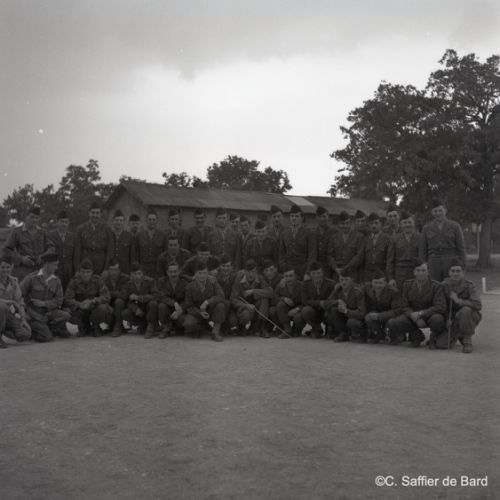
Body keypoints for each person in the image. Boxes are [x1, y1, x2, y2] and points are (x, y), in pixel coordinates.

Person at [387, 259, 446, 347]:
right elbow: (404, 305)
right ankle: (417, 336)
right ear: (414, 272)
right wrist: (413, 316)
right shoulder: (407, 285)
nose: (421, 273)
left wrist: (421, 314)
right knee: (396, 322)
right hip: (413, 316)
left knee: (438, 319)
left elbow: (440, 306)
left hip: (429, 315)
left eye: (423, 270)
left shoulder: (436, 286)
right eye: (418, 270)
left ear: (428, 272)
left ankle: (433, 338)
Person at [20, 253, 70, 342]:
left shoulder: (56, 281)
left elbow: (59, 300)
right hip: (34, 314)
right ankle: (33, 329)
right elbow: (19, 295)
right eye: (55, 265)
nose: (56, 268)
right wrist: (25, 312)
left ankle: (48, 328)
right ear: (47, 264)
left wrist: (44, 304)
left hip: (48, 313)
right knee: (47, 337)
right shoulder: (32, 278)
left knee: (66, 315)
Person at [436, 259, 482, 353]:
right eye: (453, 271)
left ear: (463, 272)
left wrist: (458, 300)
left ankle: (467, 340)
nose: (455, 274)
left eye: (458, 271)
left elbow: (478, 305)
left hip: (469, 316)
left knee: (466, 310)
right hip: (453, 318)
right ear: (449, 272)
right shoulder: (443, 285)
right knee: (441, 344)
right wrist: (446, 319)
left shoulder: (469, 285)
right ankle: (459, 334)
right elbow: (440, 305)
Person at [419, 198, 466, 281]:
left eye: (440, 211)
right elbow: (422, 250)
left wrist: (462, 264)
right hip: (433, 262)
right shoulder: (426, 228)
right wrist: (423, 265)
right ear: (432, 212)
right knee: (434, 285)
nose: (438, 213)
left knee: (450, 285)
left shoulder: (455, 226)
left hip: (450, 262)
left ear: (445, 210)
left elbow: (461, 248)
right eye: (435, 211)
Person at [4, 205, 55, 281]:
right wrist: (21, 259)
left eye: (36, 218)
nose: (34, 220)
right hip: (22, 272)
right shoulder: (17, 232)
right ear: (26, 217)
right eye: (32, 217)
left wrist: (44, 256)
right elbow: (6, 250)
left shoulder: (42, 232)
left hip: (39, 272)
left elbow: (52, 247)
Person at [64, 259, 113, 337]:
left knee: (103, 308)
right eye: (83, 272)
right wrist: (79, 304)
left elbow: (106, 296)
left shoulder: (98, 280)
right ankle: (83, 327)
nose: (85, 274)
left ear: (92, 272)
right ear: (79, 272)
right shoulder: (74, 281)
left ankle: (95, 326)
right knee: (67, 311)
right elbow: (67, 299)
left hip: (94, 309)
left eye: (88, 272)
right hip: (80, 310)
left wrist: (93, 301)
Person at [183, 261, 226, 342]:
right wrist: (200, 312)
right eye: (199, 273)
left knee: (220, 305)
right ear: (195, 274)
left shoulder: (213, 282)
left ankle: (215, 332)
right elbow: (189, 306)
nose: (202, 276)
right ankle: (201, 328)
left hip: (211, 311)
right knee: (188, 324)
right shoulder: (189, 287)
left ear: (207, 273)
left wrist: (207, 302)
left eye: (204, 273)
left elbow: (221, 296)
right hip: (197, 313)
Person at [230, 259, 273, 337]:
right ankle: (242, 327)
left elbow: (270, 292)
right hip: (243, 309)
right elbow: (233, 299)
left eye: (253, 272)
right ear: (244, 271)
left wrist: (253, 291)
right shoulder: (238, 279)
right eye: (248, 272)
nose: (251, 275)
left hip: (256, 307)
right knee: (246, 314)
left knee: (264, 299)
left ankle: (261, 327)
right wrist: (245, 306)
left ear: (256, 271)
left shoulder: (260, 278)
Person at [356, 270, 400, 343]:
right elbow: (356, 290)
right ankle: (379, 335)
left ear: (385, 283)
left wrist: (380, 315)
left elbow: (397, 311)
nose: (377, 286)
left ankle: (394, 336)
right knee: (368, 317)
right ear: (371, 282)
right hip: (376, 313)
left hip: (390, 316)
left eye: (380, 283)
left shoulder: (393, 292)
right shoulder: (368, 288)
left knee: (391, 322)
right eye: (375, 283)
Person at [324, 269, 366, 342]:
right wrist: (337, 301)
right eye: (341, 280)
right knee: (333, 310)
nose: (343, 282)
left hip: (356, 319)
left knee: (351, 321)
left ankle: (360, 334)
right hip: (344, 317)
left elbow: (361, 313)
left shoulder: (358, 292)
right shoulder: (338, 290)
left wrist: (346, 311)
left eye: (346, 280)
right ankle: (343, 334)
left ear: (352, 280)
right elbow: (326, 303)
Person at [120, 262, 159, 338]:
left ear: (142, 274)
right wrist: (135, 309)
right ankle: (142, 325)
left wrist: (139, 298)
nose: (137, 276)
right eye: (134, 274)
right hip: (137, 310)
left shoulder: (150, 281)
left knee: (153, 303)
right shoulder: (127, 285)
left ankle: (151, 328)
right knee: (125, 313)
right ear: (131, 275)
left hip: (148, 309)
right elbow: (127, 300)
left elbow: (156, 295)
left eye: (139, 273)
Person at [0, 254, 31, 348]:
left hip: (7, 315)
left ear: (12, 267)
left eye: (8, 267)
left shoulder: (13, 281)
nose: (5, 270)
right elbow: (11, 303)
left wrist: (23, 319)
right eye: (2, 267)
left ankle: (4, 329)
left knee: (26, 334)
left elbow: (20, 301)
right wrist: (10, 302)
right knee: (2, 306)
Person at [74, 201, 114, 275]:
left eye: (97, 213)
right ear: (89, 213)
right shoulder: (80, 229)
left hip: (101, 265)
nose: (95, 215)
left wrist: (106, 269)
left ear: (100, 214)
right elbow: (77, 251)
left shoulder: (107, 229)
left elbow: (110, 250)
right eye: (93, 212)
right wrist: (77, 269)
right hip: (85, 265)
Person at [278, 204, 316, 279]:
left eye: (296, 216)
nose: (294, 218)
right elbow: (281, 253)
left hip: (303, 270)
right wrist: (283, 267)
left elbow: (312, 255)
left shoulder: (309, 233)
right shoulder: (285, 233)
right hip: (288, 271)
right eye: (292, 216)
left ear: (302, 218)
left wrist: (308, 273)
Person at [299, 261, 335, 338]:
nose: (316, 275)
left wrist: (324, 304)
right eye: (314, 273)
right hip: (313, 310)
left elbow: (333, 299)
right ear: (310, 274)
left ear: (323, 273)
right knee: (305, 311)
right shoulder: (305, 284)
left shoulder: (330, 284)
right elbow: (304, 301)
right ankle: (317, 328)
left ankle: (330, 328)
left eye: (318, 273)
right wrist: (319, 303)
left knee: (332, 311)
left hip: (326, 310)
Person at [388, 211, 422, 290]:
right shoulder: (394, 239)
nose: (407, 225)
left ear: (414, 223)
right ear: (400, 224)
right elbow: (390, 261)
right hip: (399, 274)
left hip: (416, 273)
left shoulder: (420, 238)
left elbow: (423, 258)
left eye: (409, 222)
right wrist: (391, 278)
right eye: (405, 222)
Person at [327, 211, 363, 282]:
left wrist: (346, 268)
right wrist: (335, 268)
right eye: (342, 224)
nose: (345, 226)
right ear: (339, 224)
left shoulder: (358, 237)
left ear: (351, 223)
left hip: (352, 273)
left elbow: (359, 256)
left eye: (347, 223)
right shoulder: (334, 237)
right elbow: (329, 255)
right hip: (337, 273)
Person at [157, 262, 187, 338]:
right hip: (168, 308)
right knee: (161, 306)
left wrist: (180, 310)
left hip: (180, 309)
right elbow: (162, 296)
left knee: (183, 320)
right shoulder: (161, 282)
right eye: (171, 272)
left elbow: (187, 299)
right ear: (167, 272)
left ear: (179, 272)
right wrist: (174, 303)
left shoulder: (184, 283)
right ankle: (166, 328)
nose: (173, 274)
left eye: (175, 271)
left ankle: (178, 328)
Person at [101, 259, 130, 337]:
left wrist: (109, 293)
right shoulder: (104, 279)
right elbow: (101, 294)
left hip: (123, 305)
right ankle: (111, 325)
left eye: (116, 270)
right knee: (102, 306)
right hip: (110, 304)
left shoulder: (125, 278)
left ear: (119, 270)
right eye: (111, 270)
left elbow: (123, 295)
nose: (113, 272)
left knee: (119, 301)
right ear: (108, 270)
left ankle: (118, 326)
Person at [361, 212, 392, 283]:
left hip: (381, 273)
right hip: (368, 275)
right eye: (371, 223)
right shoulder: (366, 239)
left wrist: (389, 277)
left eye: (376, 223)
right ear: (369, 225)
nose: (374, 225)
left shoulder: (387, 238)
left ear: (381, 224)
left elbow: (389, 260)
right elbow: (362, 258)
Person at [48, 210, 76, 290]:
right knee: (55, 290)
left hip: (69, 269)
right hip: (56, 268)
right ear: (57, 222)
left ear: (68, 223)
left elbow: (75, 255)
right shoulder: (50, 235)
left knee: (68, 290)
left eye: (66, 222)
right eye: (62, 222)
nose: (64, 224)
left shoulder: (72, 236)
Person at [273, 266, 303, 339]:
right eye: (286, 276)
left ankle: (297, 329)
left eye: (291, 276)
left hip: (299, 309)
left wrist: (297, 309)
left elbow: (307, 301)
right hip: (286, 309)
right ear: (283, 277)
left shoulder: (302, 286)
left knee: (299, 317)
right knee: (280, 305)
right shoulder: (280, 286)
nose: (288, 278)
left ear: (295, 276)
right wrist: (283, 299)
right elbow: (274, 299)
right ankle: (287, 330)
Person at [135, 210, 166, 278]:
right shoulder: (139, 235)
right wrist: (138, 268)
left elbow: (165, 253)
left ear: (157, 220)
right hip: (143, 267)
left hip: (157, 267)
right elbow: (136, 254)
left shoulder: (162, 235)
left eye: (154, 220)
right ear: (146, 220)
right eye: (150, 219)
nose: (152, 222)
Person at [216, 255, 239, 335]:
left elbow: (235, 295)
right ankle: (220, 327)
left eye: (228, 266)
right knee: (223, 305)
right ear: (220, 266)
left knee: (233, 321)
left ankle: (228, 327)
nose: (225, 268)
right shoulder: (215, 277)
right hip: (218, 306)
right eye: (223, 266)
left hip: (231, 305)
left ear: (231, 267)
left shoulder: (235, 277)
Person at [314, 206, 337, 278]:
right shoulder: (312, 232)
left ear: (328, 217)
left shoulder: (334, 232)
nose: (322, 219)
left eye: (324, 216)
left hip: (330, 268)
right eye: (319, 216)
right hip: (315, 268)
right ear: (316, 218)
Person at [111, 209, 136, 275]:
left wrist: (132, 271)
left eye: (121, 220)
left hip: (125, 269)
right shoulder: (110, 235)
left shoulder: (129, 236)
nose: (119, 222)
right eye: (117, 220)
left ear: (124, 222)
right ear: (113, 221)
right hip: (112, 269)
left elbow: (132, 257)